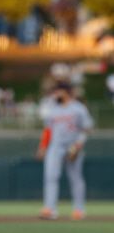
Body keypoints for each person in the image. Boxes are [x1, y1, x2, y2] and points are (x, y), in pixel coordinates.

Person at [35, 82, 94, 220]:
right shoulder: (52, 109)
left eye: (58, 91)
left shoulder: (79, 109)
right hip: (55, 146)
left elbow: (87, 129)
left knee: (76, 178)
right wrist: (43, 146)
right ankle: (50, 209)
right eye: (55, 91)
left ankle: (79, 210)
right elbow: (48, 130)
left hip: (72, 146)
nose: (55, 94)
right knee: (50, 176)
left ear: (67, 92)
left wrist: (78, 145)